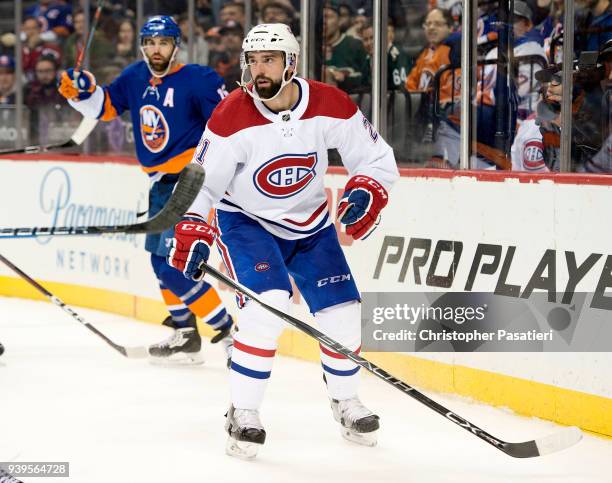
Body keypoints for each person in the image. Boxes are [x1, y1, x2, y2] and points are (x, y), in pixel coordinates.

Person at [167, 23, 399, 459]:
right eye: (252, 60)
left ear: (291, 63)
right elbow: (200, 183)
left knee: (344, 312)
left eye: (269, 59)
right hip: (247, 223)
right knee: (268, 304)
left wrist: (366, 185)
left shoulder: (330, 103)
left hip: (311, 224)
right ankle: (244, 411)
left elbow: (375, 157)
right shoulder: (231, 114)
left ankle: (346, 401)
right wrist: (192, 224)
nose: (258, 69)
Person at [57, 15, 234, 365]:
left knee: (172, 267)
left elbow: (228, 127)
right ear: (142, 45)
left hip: (191, 183)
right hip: (158, 184)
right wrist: (82, 93)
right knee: (159, 261)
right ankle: (185, 333)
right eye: (151, 43)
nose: (156, 49)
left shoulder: (198, 80)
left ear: (176, 45)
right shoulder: (136, 76)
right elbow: (105, 107)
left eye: (163, 42)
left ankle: (229, 332)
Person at [322, 2, 370, 92]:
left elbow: (367, 78)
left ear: (340, 21)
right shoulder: (312, 48)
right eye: (321, 18)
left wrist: (344, 78)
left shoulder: (355, 45)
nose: (324, 22)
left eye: (328, 17)